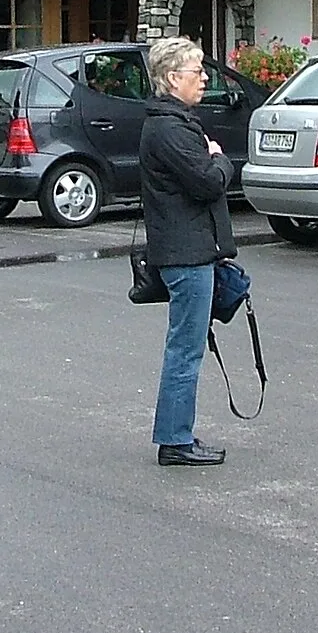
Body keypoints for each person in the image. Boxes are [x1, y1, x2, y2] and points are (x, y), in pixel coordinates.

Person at [139, 35, 234, 466]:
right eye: (197, 71)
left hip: (189, 249)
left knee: (186, 345)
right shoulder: (169, 128)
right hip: (186, 253)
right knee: (185, 348)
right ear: (173, 78)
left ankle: (176, 434)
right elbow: (207, 183)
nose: (204, 79)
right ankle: (175, 440)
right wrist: (220, 159)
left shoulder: (172, 123)